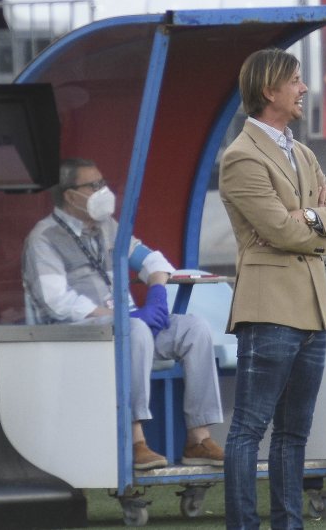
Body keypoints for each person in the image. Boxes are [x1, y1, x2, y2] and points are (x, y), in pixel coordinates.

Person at [219, 49, 326, 529]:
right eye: (295, 81)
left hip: (311, 310)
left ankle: (288, 524)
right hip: (269, 308)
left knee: (294, 433)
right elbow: (282, 232)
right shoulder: (239, 157)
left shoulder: (303, 152)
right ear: (268, 91)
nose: (304, 89)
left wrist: (315, 216)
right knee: (249, 429)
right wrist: (318, 223)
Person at [22, 158, 224, 470]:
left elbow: (154, 261)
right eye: (93, 185)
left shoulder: (107, 227)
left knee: (194, 328)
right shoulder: (43, 237)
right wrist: (120, 317)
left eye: (102, 183)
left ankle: (198, 438)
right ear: (69, 195)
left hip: (126, 328)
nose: (103, 191)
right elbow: (56, 302)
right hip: (80, 335)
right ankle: (135, 440)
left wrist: (157, 292)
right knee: (136, 329)